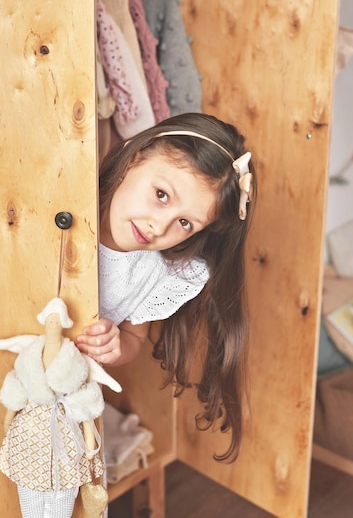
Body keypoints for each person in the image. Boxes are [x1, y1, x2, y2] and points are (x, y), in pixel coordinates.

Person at [76, 112, 255, 462]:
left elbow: (133, 338)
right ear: (133, 157)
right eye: (161, 195)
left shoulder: (156, 272)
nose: (159, 226)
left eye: (185, 222)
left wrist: (114, 346)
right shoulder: (68, 206)